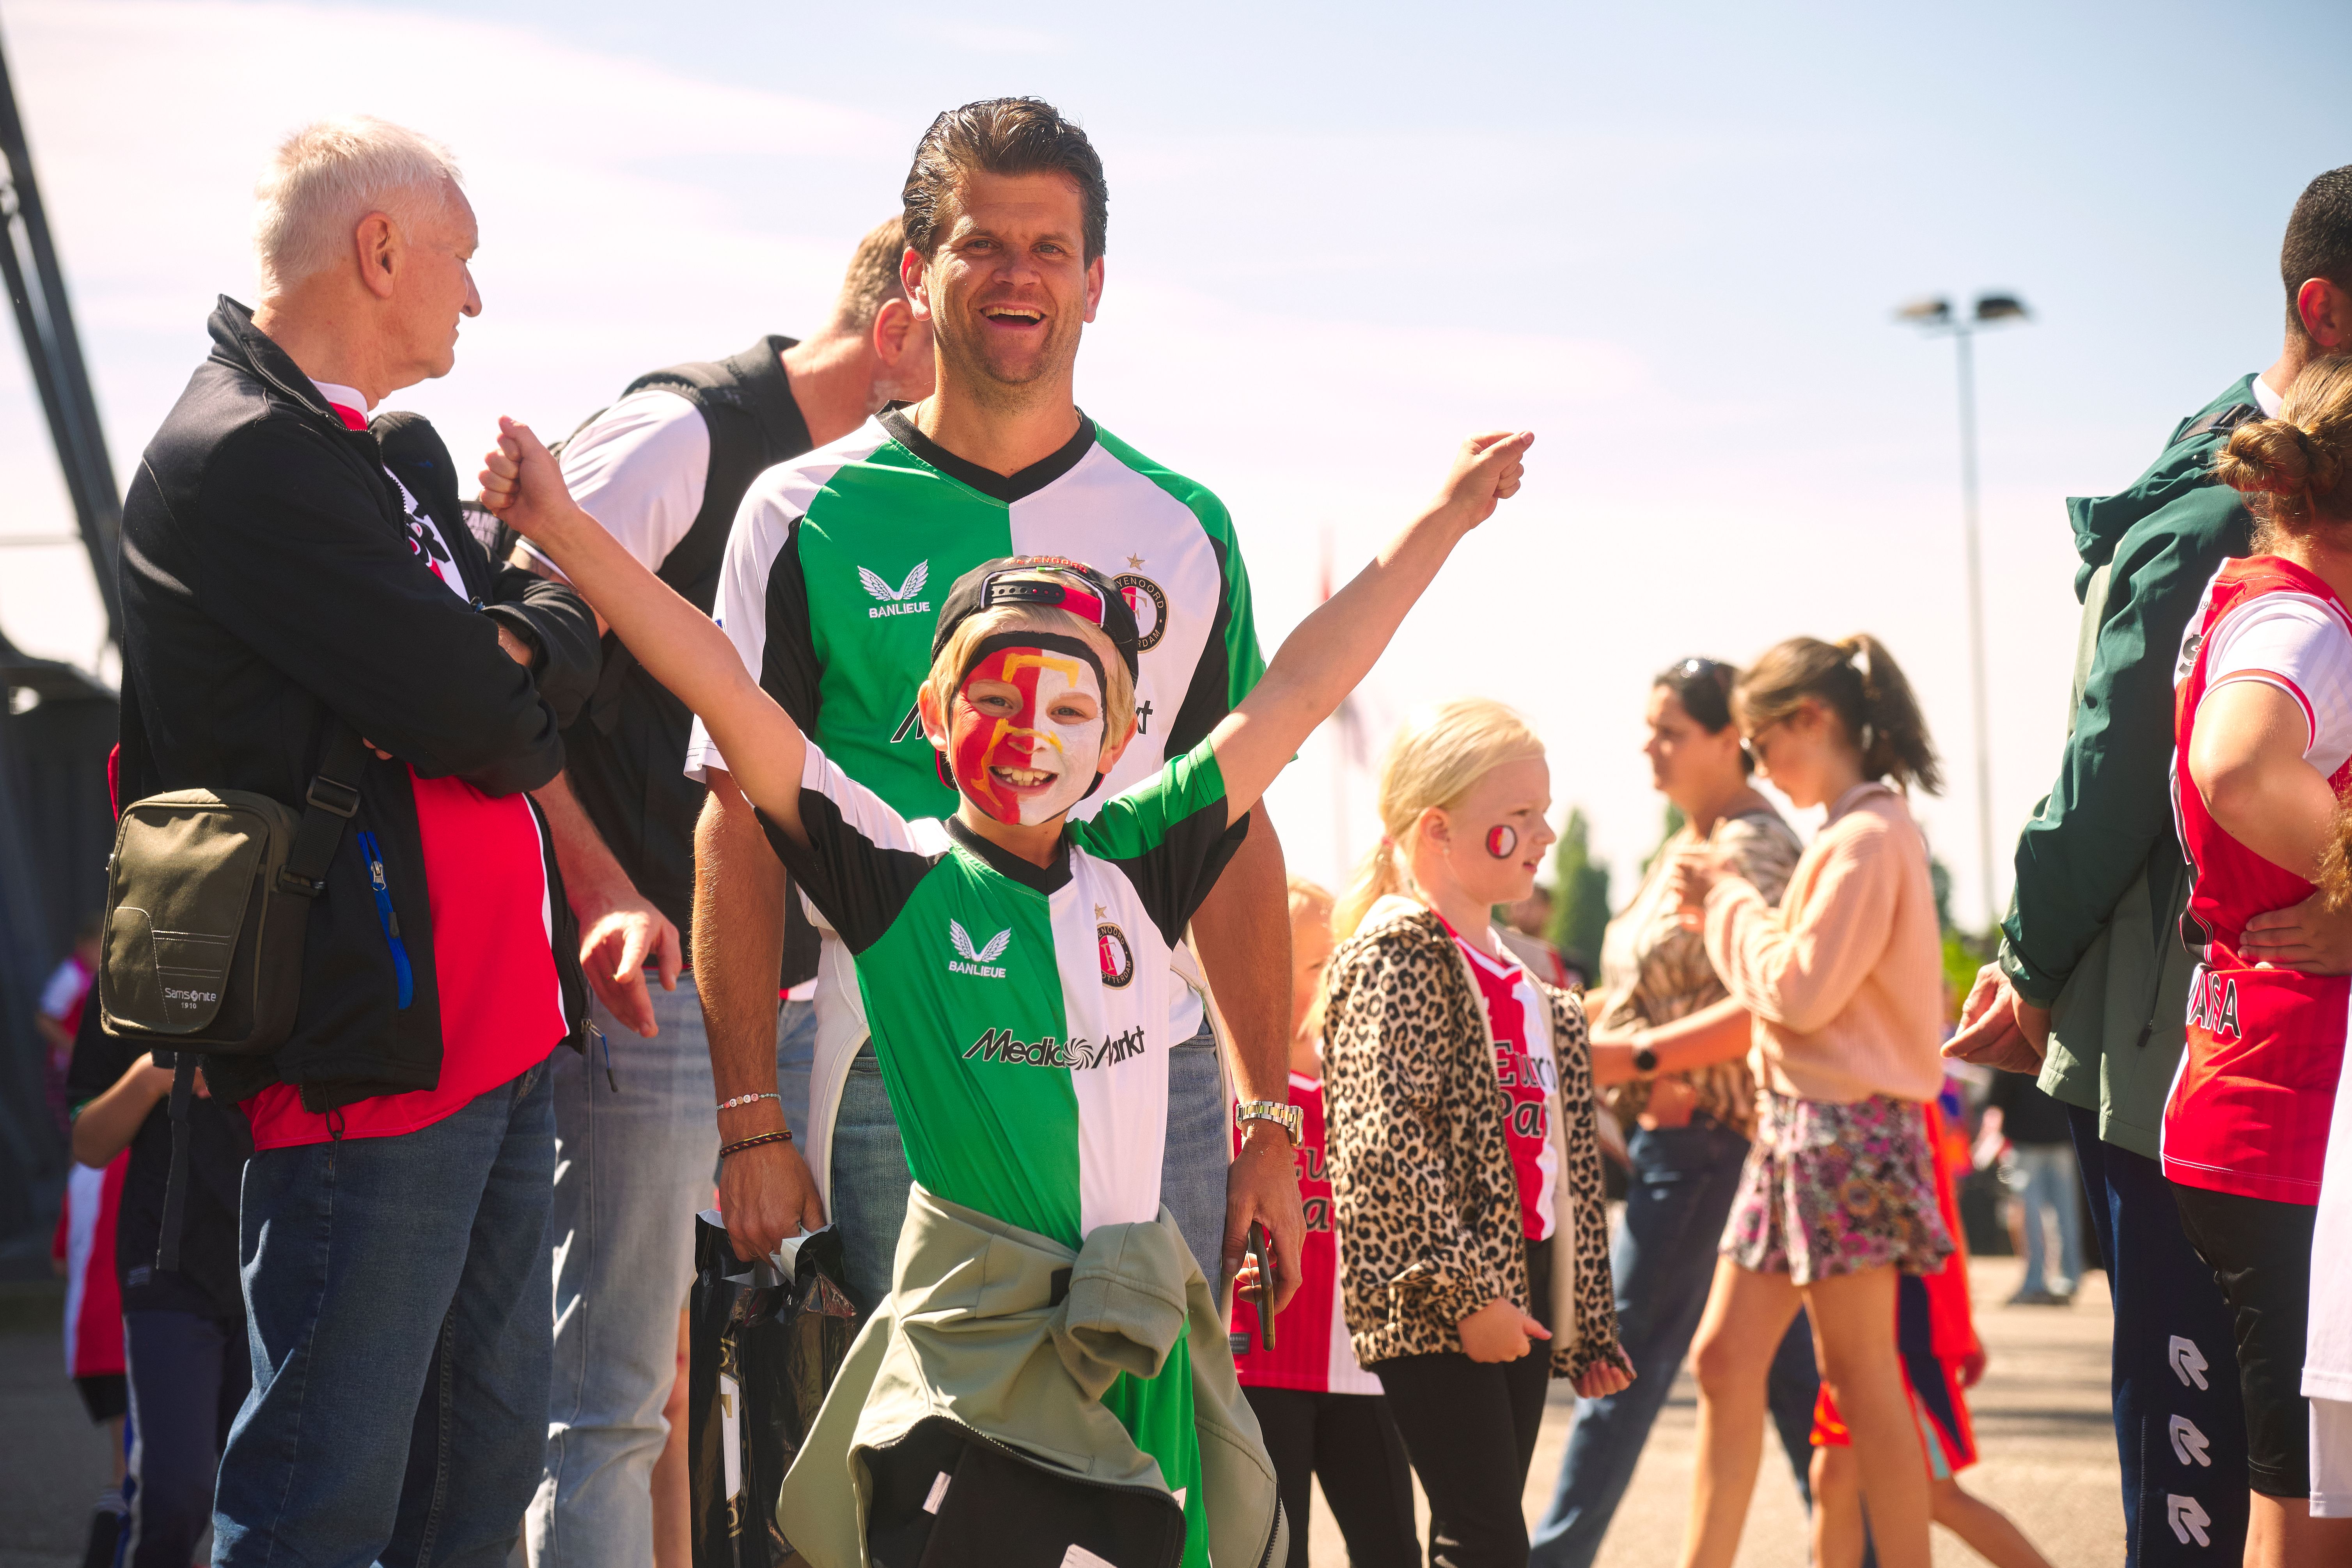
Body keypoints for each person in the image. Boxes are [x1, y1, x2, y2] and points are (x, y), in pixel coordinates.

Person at [479, 387, 1535, 1568]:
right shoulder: (890, 871)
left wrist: (1444, 517)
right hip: (972, 1355)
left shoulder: (1149, 851)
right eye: (992, 693)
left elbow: (1299, 685)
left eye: (1071, 701)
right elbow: (722, 684)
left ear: (1125, 728)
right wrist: (566, 531)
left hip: (1134, 1333)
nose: (1030, 726)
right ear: (931, 715)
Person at [690, 98, 1303, 1318]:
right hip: (897, 1065)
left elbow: (1231, 833)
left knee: (1151, 1465)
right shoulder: (800, 511)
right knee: (930, 1473)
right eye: (983, 244)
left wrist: (1270, 1115)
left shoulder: (1183, 527)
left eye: (1049, 249)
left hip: (1148, 1068)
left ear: (1095, 282)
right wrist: (750, 1112)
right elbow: (741, 820)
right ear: (917, 274)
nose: (1018, 277)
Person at [118, 116, 601, 1567]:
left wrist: (517, 625)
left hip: (494, 1047)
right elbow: (491, 718)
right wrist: (512, 644)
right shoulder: (244, 455)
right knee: (319, 1503)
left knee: (477, 1483)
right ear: (379, 250)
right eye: (459, 260)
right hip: (373, 1070)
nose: (472, 298)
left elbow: (526, 667)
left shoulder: (368, 453)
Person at [512, 217, 935, 1568]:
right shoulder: (678, 439)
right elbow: (491, 678)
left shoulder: (867, 494)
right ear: (901, 320)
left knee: (759, 1380)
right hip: (632, 986)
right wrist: (595, 891)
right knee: (614, 1405)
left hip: (790, 994)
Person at [1950, 164, 2352, 1563]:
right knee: (2229, 1487)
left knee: (2284, 1476)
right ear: (2327, 307)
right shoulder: (2228, 520)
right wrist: (2025, 959)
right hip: (2199, 1067)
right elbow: (2130, 769)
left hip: (2248, 1073)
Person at [1321, 697, 1634, 1568]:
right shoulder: (1399, 953)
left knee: (1481, 1532)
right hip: (1439, 1292)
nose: (1543, 838)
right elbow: (1382, 1142)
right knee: (1487, 1539)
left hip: (1517, 1285)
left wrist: (1585, 1323)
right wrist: (1466, 1296)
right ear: (1436, 829)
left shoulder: (1519, 977)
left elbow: (1555, 1168)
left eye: (1543, 813)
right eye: (1517, 818)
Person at [1664, 635, 1952, 1568]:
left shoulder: (1867, 835)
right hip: (1809, 1130)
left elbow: (1796, 992)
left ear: (1811, 720)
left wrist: (1727, 904)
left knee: (1860, 1383)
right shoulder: (1854, 831)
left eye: (1758, 740)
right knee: (1726, 1361)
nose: (1755, 763)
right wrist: (1729, 910)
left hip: (1842, 1128)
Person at [1531, 656, 1825, 1568]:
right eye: (1648, 726)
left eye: (1669, 729)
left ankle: (1549, 1559)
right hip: (1703, 1147)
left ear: (1728, 738)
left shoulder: (1753, 849)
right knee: (1789, 1383)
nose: (1648, 744)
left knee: (1612, 1364)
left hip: (1707, 1142)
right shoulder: (1692, 842)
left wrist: (1629, 1058)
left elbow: (1778, 998)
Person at [2157, 356, 2352, 1564]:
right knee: (2311, 1501)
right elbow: (2236, 766)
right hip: (2285, 1103)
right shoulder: (2308, 618)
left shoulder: (2257, 593)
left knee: (2306, 1489)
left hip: (2253, 1083)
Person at [1229, 877, 1417, 1568]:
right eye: (1318, 965)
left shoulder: (1370, 1084)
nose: (1342, 979)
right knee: (1279, 1553)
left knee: (1394, 1546)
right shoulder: (1233, 1096)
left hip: (1362, 1369)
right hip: (1260, 1370)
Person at [1809, 1096, 2054, 1568]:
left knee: (1935, 1495)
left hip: (1904, 1319)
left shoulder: (1891, 1084)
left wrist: (1958, 1319)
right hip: (1862, 1310)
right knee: (1835, 1478)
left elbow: (1936, 1209)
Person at [68, 993, 252, 1568]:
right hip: (168, 1276)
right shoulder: (127, 975)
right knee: (178, 1493)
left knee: (269, 1500)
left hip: (280, 1271)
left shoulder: (303, 936)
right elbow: (87, 1141)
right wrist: (151, 1078)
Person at [50, 1141, 127, 1568]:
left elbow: (60, 1260)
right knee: (131, 1469)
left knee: (134, 1465)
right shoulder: (146, 1163)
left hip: (85, 1340)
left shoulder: (83, 1169)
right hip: (124, 1337)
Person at [1983, 1071, 2081, 1305]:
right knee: (2065, 1214)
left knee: (2031, 1215)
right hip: (2062, 1139)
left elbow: (1996, 1099)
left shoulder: (2016, 1043)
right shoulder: (2065, 1043)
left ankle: (2035, 1283)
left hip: (2026, 1142)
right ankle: (2068, 1280)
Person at [35, 917, 99, 1136]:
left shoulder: (102, 977)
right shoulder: (70, 976)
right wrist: (76, 1050)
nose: (103, 953)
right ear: (82, 945)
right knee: (78, 1130)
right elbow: (45, 1020)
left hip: (94, 1067)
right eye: (97, 946)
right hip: (68, 1070)